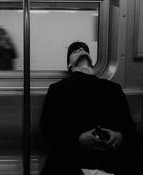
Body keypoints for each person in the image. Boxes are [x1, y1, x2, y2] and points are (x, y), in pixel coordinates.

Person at [40, 42, 136, 175]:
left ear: (92, 62)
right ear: (69, 65)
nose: (80, 49)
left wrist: (119, 136)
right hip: (71, 161)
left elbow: (129, 127)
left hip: (108, 162)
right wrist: (77, 139)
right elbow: (47, 129)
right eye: (75, 52)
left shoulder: (113, 89)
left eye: (84, 50)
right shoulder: (57, 90)